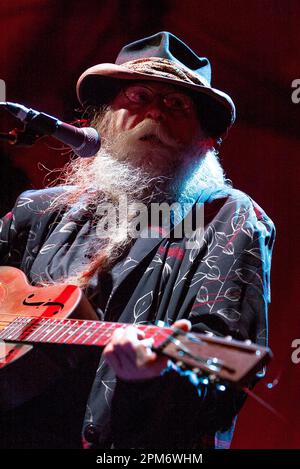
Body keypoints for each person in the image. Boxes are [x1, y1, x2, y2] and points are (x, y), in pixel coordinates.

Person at [0, 31, 275, 449]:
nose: (154, 114)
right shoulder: (37, 210)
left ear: (206, 138)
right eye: (139, 95)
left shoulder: (227, 217)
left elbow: (221, 378)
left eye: (176, 103)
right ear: (104, 117)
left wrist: (150, 375)